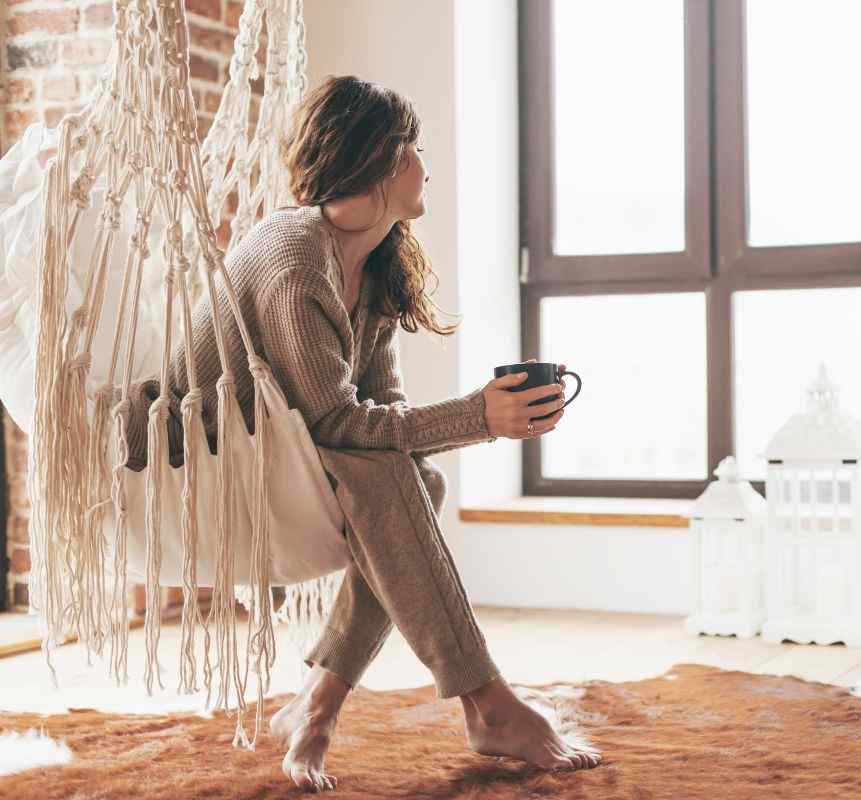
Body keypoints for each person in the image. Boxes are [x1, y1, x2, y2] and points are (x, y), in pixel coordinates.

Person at [118, 75, 601, 791]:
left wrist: (489, 418)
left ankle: (317, 710)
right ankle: (486, 701)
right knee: (389, 476)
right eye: (410, 146)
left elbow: (380, 412)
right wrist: (481, 418)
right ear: (376, 159)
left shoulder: (370, 268)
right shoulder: (294, 258)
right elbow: (339, 422)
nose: (422, 161)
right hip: (213, 456)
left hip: (293, 447)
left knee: (411, 478)